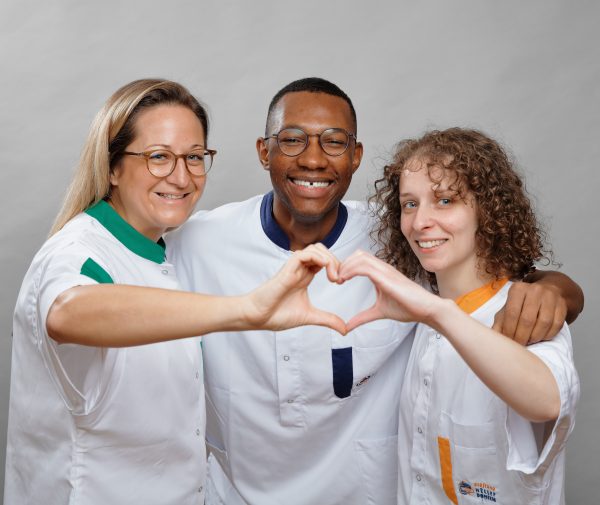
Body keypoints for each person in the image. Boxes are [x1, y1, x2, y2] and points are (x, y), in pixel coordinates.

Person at [167, 78, 584, 505]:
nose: (313, 158)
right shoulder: (197, 241)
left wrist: (558, 290)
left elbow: (504, 281)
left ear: (355, 156)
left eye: (334, 142)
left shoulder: (399, 253)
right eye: (292, 140)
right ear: (264, 150)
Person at [4, 79, 345, 505]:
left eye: (194, 157)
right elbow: (68, 311)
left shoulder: (165, 252)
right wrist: (247, 310)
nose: (181, 177)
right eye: (158, 157)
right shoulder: (77, 251)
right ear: (111, 166)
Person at [338, 127, 579, 504]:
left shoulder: (525, 310)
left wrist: (436, 312)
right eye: (410, 204)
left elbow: (547, 400)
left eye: (446, 200)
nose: (420, 223)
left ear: (487, 209)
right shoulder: (424, 301)